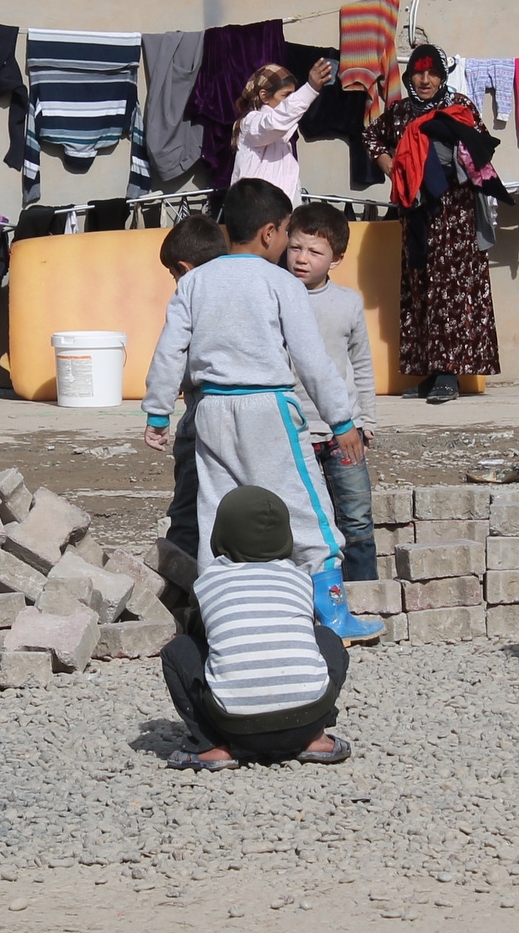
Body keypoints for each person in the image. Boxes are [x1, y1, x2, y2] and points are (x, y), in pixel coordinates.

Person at [141, 178, 376, 643]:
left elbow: (170, 351)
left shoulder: (195, 282)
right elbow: (312, 360)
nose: (290, 243)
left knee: (215, 512)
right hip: (267, 408)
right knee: (308, 508)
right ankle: (333, 615)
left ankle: (218, 623)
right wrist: (343, 420)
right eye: (289, 232)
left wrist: (157, 411)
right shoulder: (280, 283)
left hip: (209, 411)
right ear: (270, 232)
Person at [158, 485, 353, 769]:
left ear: (221, 533)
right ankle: (316, 738)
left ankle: (212, 746)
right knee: (326, 638)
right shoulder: (298, 578)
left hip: (236, 728)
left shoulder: (209, 582)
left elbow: (199, 636)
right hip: (306, 719)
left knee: (177, 651)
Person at [363, 43, 501, 404]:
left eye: (432, 73)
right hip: (417, 211)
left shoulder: (459, 107)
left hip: (454, 211)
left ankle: (448, 373)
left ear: (442, 75)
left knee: (450, 288)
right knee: (422, 285)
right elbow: (370, 136)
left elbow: (481, 145)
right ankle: (430, 371)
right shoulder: (399, 112)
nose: (425, 80)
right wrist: (391, 165)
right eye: (418, 74)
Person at [285, 202, 378, 583]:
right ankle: (315, 598)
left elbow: (361, 365)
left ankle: (366, 595)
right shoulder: (275, 295)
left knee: (356, 518)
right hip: (294, 431)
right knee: (305, 522)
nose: (302, 259)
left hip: (344, 433)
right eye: (295, 248)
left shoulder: (348, 303)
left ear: (336, 259)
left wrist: (367, 420)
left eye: (314, 251)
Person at [157, 212, 230, 562]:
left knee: (187, 510)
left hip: (198, 423)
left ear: (184, 269)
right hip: (244, 423)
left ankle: (181, 592)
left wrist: (157, 411)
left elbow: (169, 355)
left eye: (173, 275)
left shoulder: (188, 294)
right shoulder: (249, 291)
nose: (174, 281)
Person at [231, 56, 334, 203]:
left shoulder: (281, 138)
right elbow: (274, 122)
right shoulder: (251, 123)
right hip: (259, 213)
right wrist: (310, 89)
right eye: (286, 95)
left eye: (293, 95)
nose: (290, 100)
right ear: (264, 96)